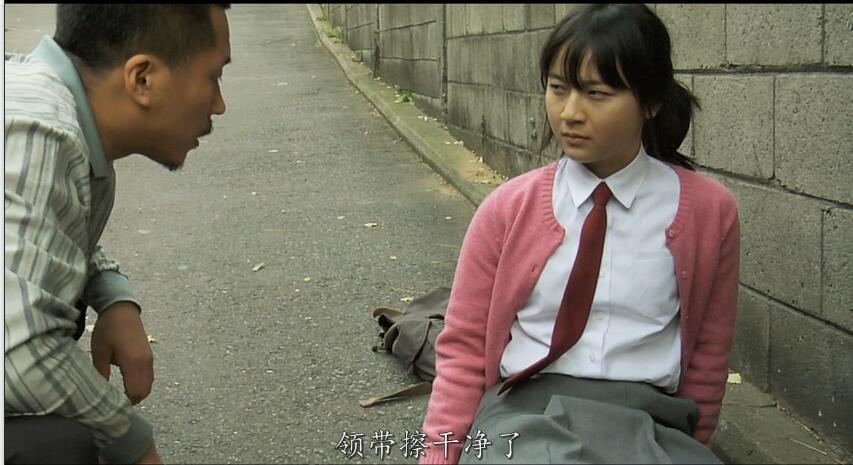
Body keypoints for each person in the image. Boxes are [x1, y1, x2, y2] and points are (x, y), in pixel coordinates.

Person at [420, 4, 740, 464]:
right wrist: (440, 454)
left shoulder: (709, 212)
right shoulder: (508, 209)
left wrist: (692, 445)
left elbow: (710, 353)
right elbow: (465, 346)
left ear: (651, 101)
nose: (570, 113)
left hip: (652, 421)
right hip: (526, 413)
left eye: (596, 93)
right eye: (558, 89)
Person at [4, 4, 231, 464]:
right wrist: (137, 446)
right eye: (213, 77)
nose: (219, 105)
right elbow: (18, 353)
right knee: (58, 446)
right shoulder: (39, 131)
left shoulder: (55, 113)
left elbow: (37, 237)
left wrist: (114, 297)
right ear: (142, 78)